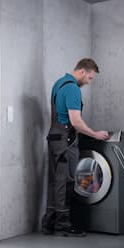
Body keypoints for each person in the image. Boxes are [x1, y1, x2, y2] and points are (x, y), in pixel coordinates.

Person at [42, 58, 109, 236]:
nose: (89, 82)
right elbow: (76, 122)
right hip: (66, 140)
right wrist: (95, 134)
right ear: (82, 72)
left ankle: (49, 222)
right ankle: (63, 225)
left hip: (54, 137)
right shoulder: (72, 89)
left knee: (56, 181)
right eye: (90, 78)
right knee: (66, 180)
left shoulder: (58, 83)